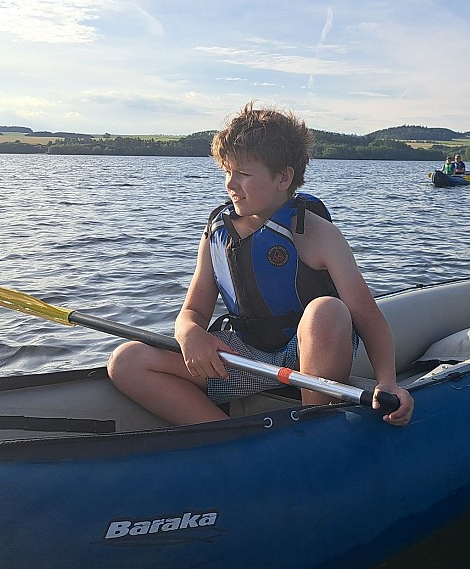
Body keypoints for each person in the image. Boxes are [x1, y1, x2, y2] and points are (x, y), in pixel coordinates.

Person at [108, 103, 414, 426]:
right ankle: (225, 437)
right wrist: (188, 334)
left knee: (327, 311)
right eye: (227, 171)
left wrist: (388, 382)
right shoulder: (216, 234)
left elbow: (367, 316)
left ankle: (309, 427)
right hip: (246, 359)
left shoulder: (318, 234)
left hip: (307, 358)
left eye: (243, 174)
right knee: (126, 361)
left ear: (283, 177)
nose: (230, 184)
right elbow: (193, 311)